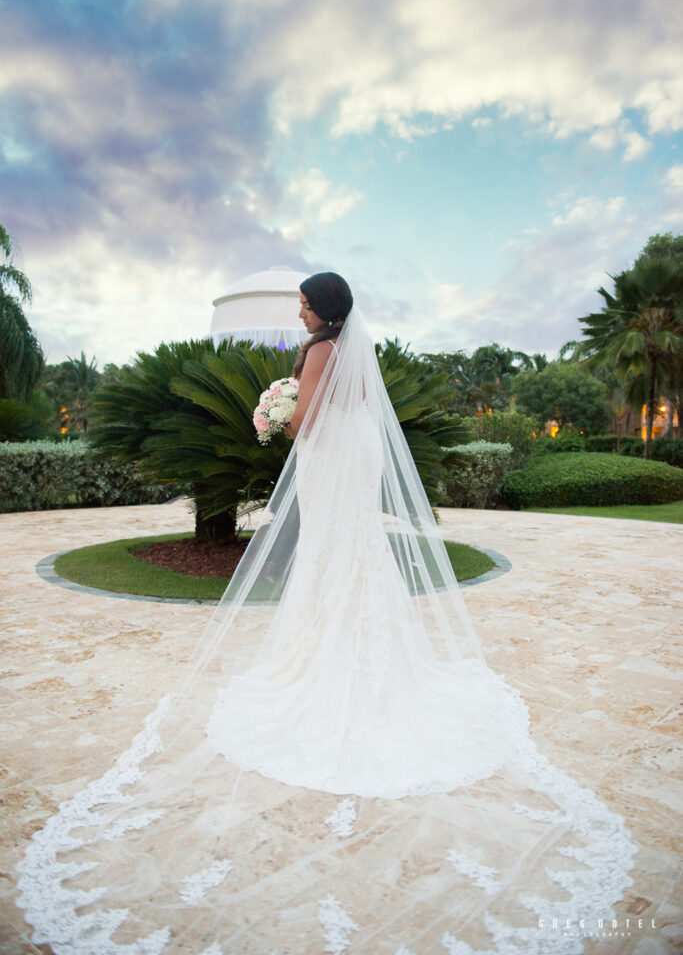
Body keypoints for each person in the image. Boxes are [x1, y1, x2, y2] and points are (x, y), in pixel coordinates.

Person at [14, 273, 636, 954]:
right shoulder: (353, 350)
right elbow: (356, 410)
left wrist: (277, 416)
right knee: (354, 548)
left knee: (332, 549)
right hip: (357, 454)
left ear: (323, 309)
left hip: (330, 458)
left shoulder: (318, 351)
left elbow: (308, 419)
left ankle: (331, 653)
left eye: (305, 304)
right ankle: (366, 646)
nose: (300, 311)